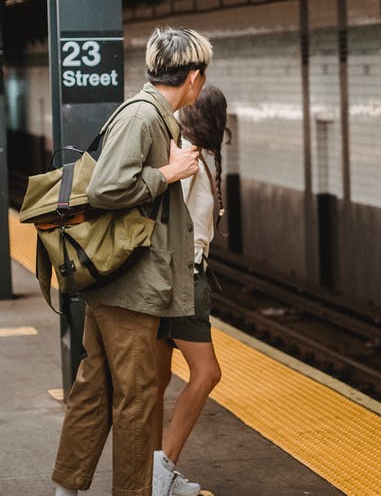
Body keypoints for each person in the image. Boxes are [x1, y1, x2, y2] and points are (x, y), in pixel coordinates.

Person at [51, 26, 212, 496]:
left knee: (95, 388)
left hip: (123, 282)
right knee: (137, 400)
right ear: (195, 78)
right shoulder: (143, 116)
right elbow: (107, 189)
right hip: (131, 285)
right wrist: (170, 172)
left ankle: (68, 489)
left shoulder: (155, 116)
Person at [152, 84, 230, 496]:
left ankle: (145, 468)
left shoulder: (187, 156)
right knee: (207, 373)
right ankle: (160, 472)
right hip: (183, 279)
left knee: (160, 376)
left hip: (173, 280)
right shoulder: (188, 161)